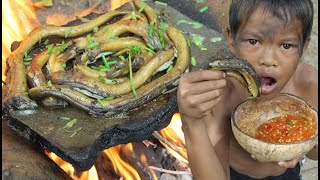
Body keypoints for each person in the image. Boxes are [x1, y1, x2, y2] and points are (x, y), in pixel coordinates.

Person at [177, 0, 318, 179]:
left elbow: (314, 155)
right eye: (253, 41)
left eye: (286, 45)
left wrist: (302, 145)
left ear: (304, 47)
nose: (268, 59)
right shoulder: (221, 93)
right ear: (231, 39)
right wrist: (191, 121)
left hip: (287, 173)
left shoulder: (309, 83)